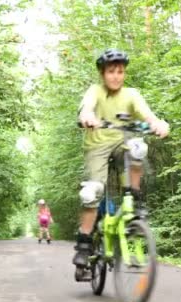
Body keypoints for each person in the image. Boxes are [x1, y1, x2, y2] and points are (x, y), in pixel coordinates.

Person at [73, 48, 170, 269]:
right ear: (102, 73)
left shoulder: (132, 94)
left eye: (120, 71)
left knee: (138, 147)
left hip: (120, 143)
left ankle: (134, 200)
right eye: (111, 71)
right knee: (91, 193)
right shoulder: (95, 91)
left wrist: (157, 123)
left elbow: (148, 115)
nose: (116, 76)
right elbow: (86, 108)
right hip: (96, 146)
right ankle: (84, 244)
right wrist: (87, 116)